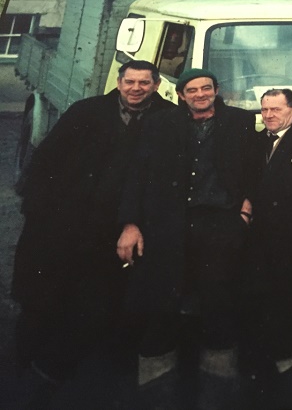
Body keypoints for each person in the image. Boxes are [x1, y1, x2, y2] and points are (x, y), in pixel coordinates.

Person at [11, 60, 175, 399]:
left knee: (105, 294)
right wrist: (38, 208)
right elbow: (48, 159)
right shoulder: (87, 111)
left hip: (123, 224)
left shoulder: (169, 119)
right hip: (71, 219)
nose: (136, 89)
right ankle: (26, 360)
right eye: (130, 82)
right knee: (47, 290)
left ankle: (84, 368)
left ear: (156, 85)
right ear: (119, 81)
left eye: (144, 83)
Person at [116, 68, 261, 408]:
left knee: (219, 304)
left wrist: (245, 212)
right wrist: (130, 223)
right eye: (192, 90)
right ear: (181, 95)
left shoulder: (240, 122)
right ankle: (157, 393)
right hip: (169, 226)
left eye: (206, 88)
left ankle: (218, 392)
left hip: (220, 225)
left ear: (216, 90)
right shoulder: (160, 123)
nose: (200, 95)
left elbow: (256, 169)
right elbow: (137, 173)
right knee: (162, 305)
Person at [242, 88, 292, 408]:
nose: (269, 115)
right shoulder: (259, 142)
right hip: (264, 239)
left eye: (276, 109)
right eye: (265, 110)